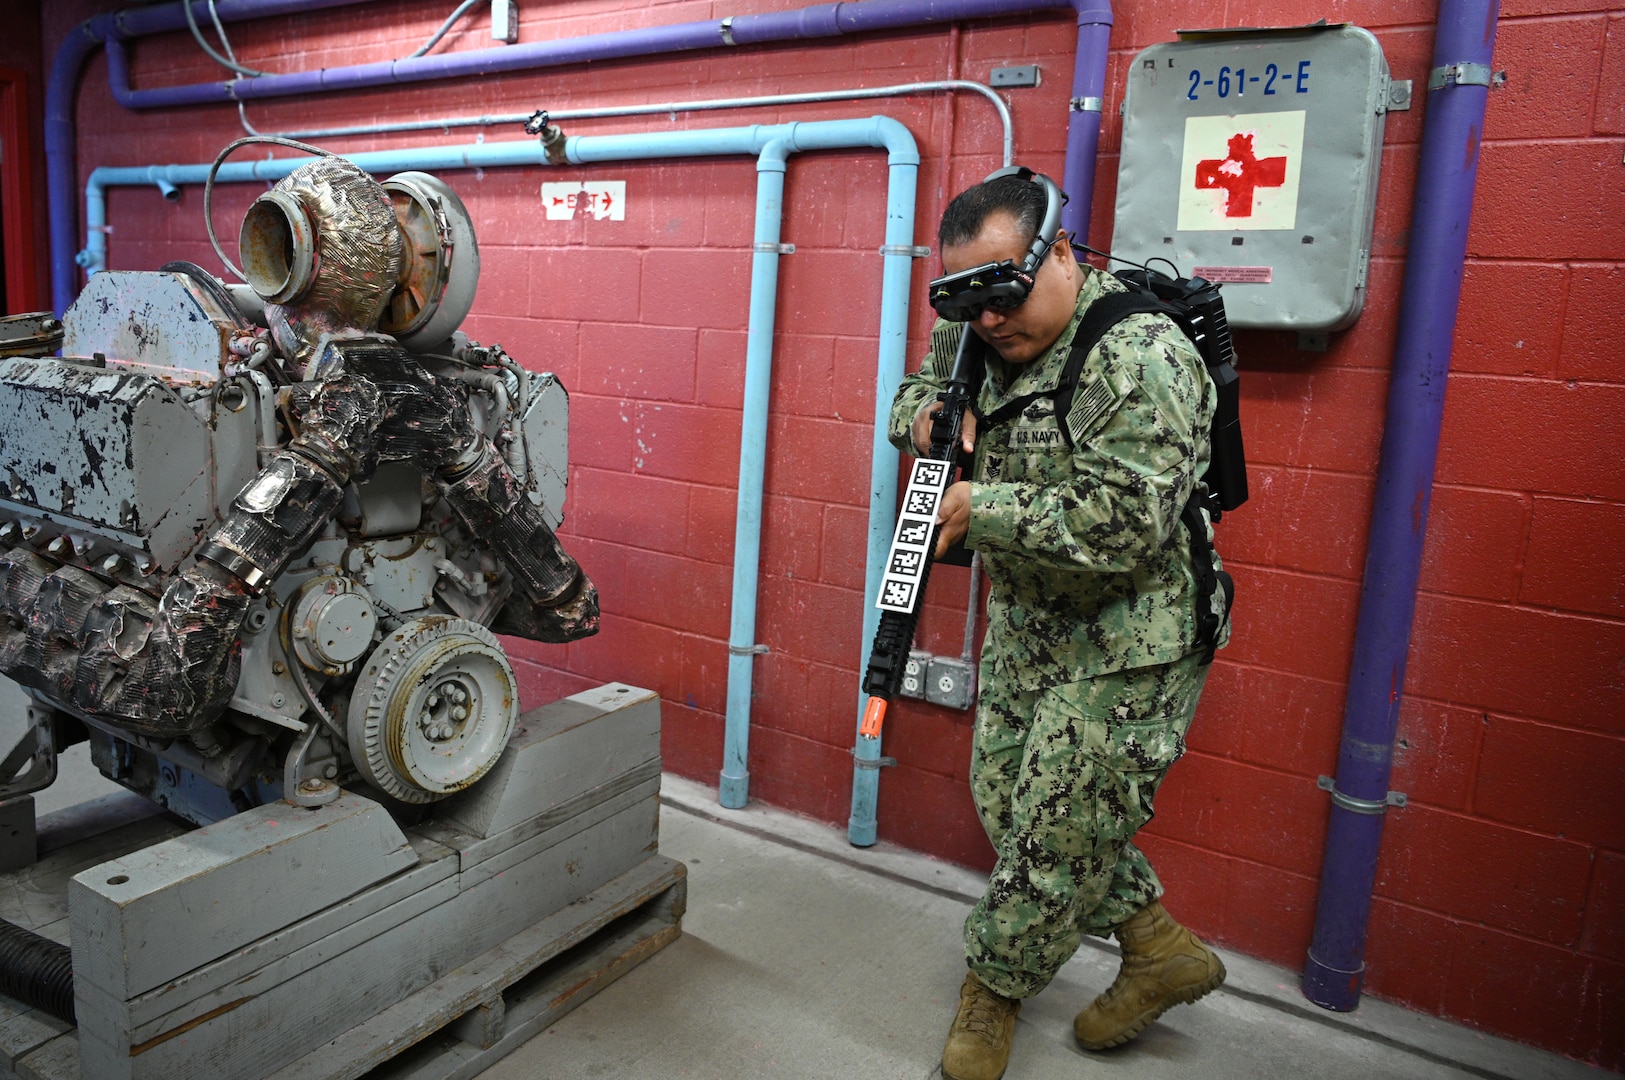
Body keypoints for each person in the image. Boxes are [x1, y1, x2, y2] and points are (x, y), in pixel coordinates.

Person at [886, 169, 1230, 1080]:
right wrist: (923, 417)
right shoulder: (973, 323)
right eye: (969, 302)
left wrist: (980, 507)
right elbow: (909, 391)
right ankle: (1158, 949)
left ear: (1062, 255)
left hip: (1133, 632)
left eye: (1005, 294)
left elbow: (1122, 523)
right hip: (1030, 615)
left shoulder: (1140, 355)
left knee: (1052, 837)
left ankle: (991, 995)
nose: (989, 322)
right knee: (1011, 802)